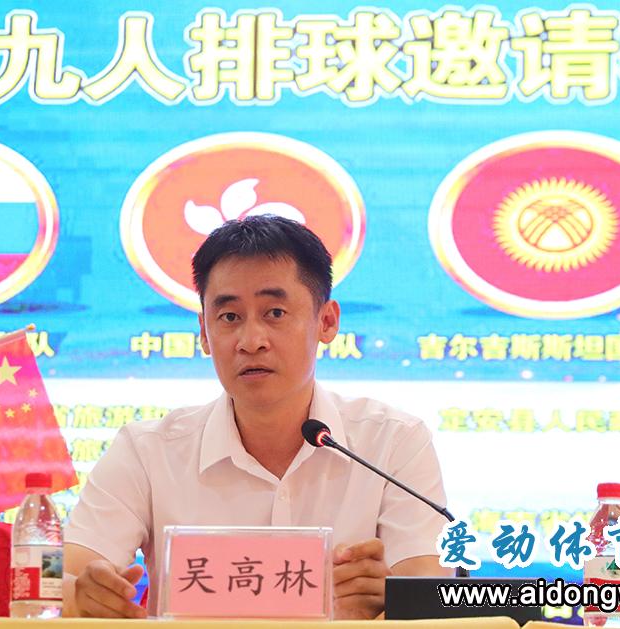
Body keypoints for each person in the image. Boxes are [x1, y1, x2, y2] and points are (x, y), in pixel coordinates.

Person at [63, 215, 450, 619]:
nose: (251, 342)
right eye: (230, 317)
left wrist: (391, 599)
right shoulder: (146, 452)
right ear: (204, 332)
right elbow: (61, 579)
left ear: (327, 321)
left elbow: (432, 593)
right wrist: (83, 596)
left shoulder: (393, 442)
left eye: (275, 313)